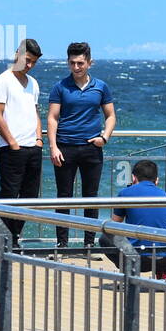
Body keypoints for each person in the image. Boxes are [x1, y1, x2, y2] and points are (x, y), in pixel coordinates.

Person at [48, 42, 117, 249]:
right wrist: (53, 146)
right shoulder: (60, 86)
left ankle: (89, 243)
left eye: (80, 63)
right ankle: (62, 242)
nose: (76, 67)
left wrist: (104, 137)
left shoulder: (101, 86)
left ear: (89, 62)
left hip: (91, 148)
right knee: (63, 197)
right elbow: (52, 118)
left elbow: (111, 115)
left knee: (91, 196)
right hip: (65, 147)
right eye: (72, 63)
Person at [0, 38, 44, 249]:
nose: (29, 65)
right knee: (9, 197)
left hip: (33, 148)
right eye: (27, 60)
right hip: (11, 149)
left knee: (30, 198)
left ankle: (14, 238)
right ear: (17, 54)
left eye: (33, 62)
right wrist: (12, 143)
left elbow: (36, 112)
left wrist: (39, 139)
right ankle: (0, 242)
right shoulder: (2, 80)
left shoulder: (34, 83)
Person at [99, 160, 166, 280]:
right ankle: (163, 274)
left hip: (138, 258)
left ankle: (128, 272)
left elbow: (114, 225)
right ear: (157, 180)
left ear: (133, 178)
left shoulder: (126, 194)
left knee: (106, 237)